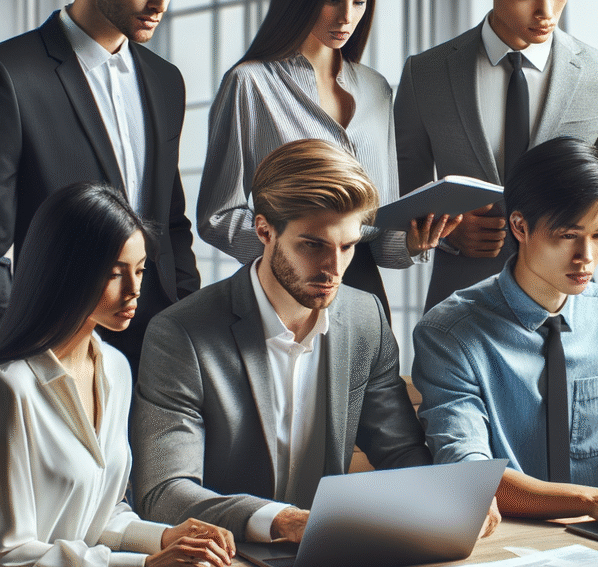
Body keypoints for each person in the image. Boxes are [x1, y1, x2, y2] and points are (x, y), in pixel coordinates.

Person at [131, 140, 455, 543]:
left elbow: (401, 450)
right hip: (228, 555)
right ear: (264, 230)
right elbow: (162, 492)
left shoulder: (365, 318)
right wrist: (279, 520)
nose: (333, 268)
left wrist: (449, 499)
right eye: (312, 245)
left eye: (348, 246)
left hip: (330, 552)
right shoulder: (180, 333)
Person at [413, 137, 598, 528]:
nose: (587, 257)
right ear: (520, 226)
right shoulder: (449, 333)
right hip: (506, 540)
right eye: (568, 235)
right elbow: (468, 472)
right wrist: (594, 500)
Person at [0, 183, 234, 567]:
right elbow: (9, 554)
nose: (134, 290)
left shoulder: (116, 369)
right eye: (115, 274)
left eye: (140, 270)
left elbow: (99, 513)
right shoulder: (12, 389)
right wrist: (144, 564)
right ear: (65, 271)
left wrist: (165, 536)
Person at [196, 0, 457, 320]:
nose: (347, 17)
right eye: (332, 1)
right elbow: (218, 217)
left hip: (366, 293)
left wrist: (414, 243)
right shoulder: (250, 83)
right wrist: (294, 251)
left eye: (359, 2)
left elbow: (378, 232)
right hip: (286, 293)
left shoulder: (376, 88)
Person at [0, 0, 201, 371]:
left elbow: (170, 220)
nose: (160, 4)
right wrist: (18, 345)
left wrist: (189, 311)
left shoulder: (166, 79)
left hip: (160, 342)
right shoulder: (11, 71)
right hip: (53, 344)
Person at [394, 0, 598, 312]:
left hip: (565, 303)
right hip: (460, 300)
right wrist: (447, 234)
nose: (546, 12)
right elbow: (402, 193)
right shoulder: (425, 73)